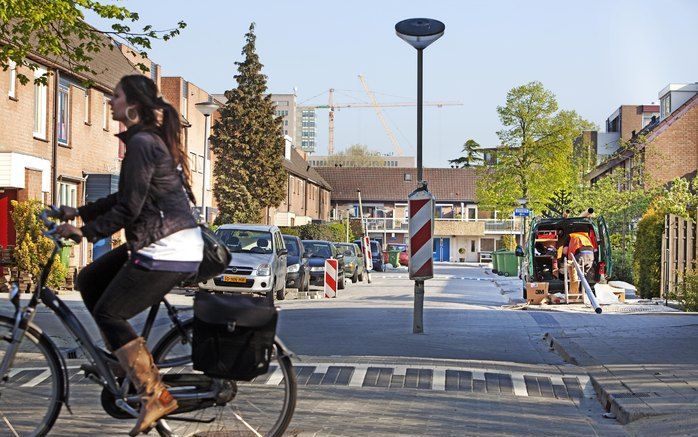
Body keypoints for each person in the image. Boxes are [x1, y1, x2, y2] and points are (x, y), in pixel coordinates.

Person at [54, 75, 203, 436]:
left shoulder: (143, 144)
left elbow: (130, 210)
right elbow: (125, 198)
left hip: (168, 246)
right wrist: (79, 213)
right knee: (89, 279)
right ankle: (124, 364)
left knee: (110, 310)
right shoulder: (143, 142)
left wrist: (84, 233)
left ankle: (155, 394)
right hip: (159, 241)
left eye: (115, 96)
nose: (110, 102)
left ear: (132, 106)